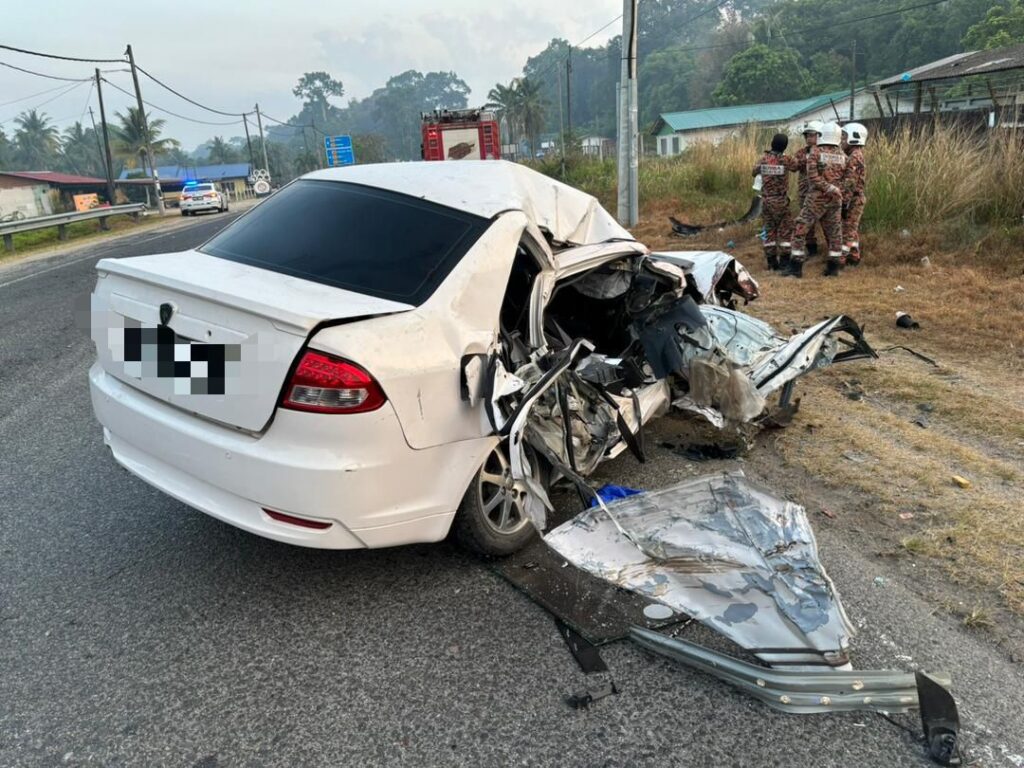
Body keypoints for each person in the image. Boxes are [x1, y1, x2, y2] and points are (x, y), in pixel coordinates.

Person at [787, 121, 847, 278]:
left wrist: (827, 188)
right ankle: (833, 268)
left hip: (816, 199)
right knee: (835, 233)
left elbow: (812, 177)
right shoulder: (842, 155)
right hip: (835, 199)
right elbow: (847, 179)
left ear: (822, 134)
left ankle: (795, 268)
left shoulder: (815, 152)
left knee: (800, 228)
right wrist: (837, 191)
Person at [752, 133, 795, 271]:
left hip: (766, 200)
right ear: (785, 146)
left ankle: (771, 263)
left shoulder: (764, 159)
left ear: (772, 143)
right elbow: (797, 166)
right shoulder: (786, 160)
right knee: (785, 231)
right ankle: (784, 262)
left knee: (769, 231)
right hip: (780, 200)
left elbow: (754, 171)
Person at [792, 121, 824, 256]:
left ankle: (833, 250)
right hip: (805, 192)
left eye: (812, 135)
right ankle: (811, 248)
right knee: (806, 222)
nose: (809, 138)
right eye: (807, 136)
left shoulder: (824, 151)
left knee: (827, 222)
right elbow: (794, 166)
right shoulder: (800, 153)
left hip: (821, 194)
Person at [841, 122, 868, 266]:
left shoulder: (854, 157)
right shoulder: (854, 155)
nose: (841, 140)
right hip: (854, 199)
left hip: (853, 200)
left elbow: (850, 183)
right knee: (851, 229)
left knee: (848, 231)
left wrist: (844, 203)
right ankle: (853, 257)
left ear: (853, 137)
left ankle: (840, 260)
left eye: (844, 137)